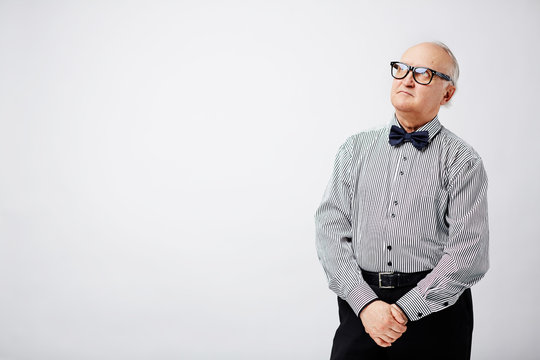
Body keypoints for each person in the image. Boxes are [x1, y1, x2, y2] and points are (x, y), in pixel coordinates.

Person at [314, 41, 489, 360]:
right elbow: (330, 231)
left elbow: (468, 254)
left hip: (437, 310)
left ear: (447, 94)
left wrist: (405, 310)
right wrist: (365, 303)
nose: (407, 79)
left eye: (424, 73)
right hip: (361, 306)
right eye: (402, 69)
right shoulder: (355, 150)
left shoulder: (463, 161)